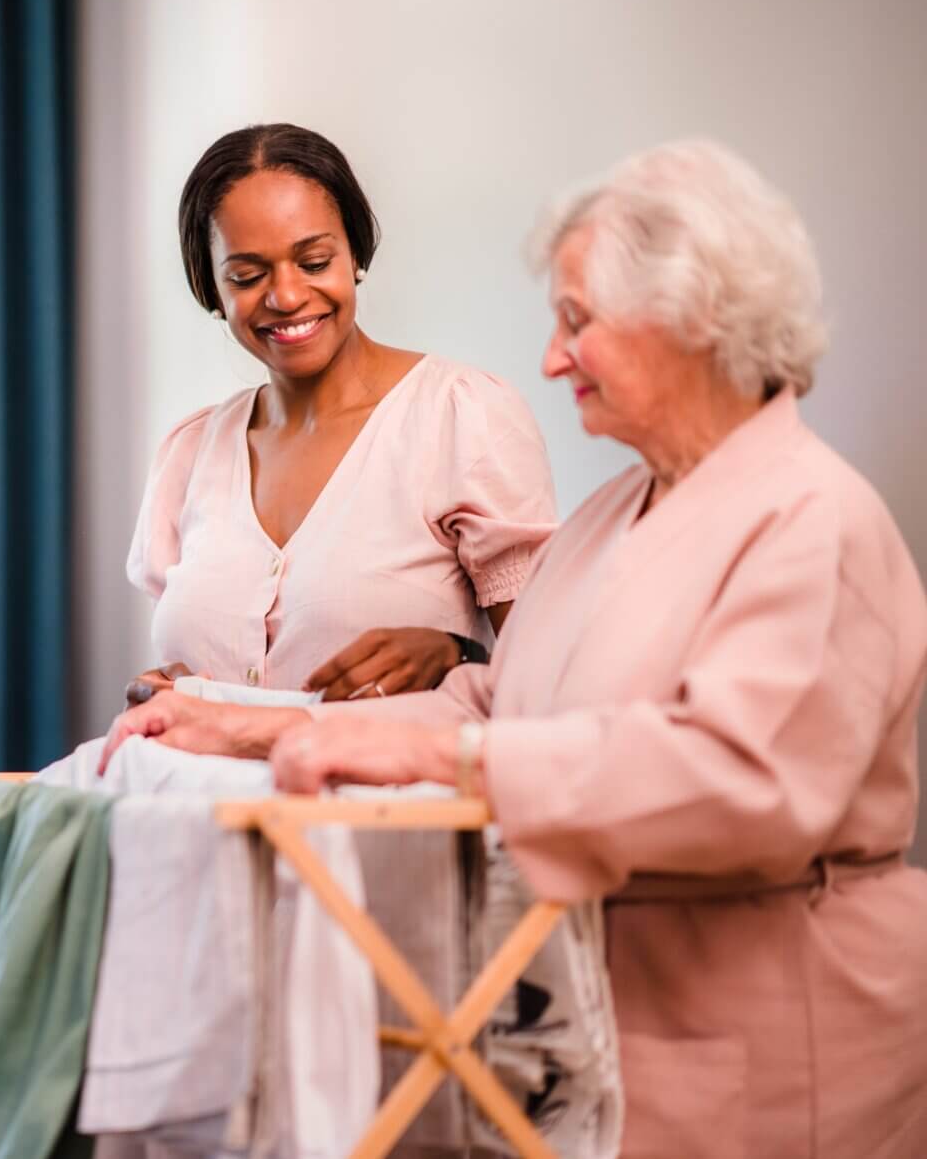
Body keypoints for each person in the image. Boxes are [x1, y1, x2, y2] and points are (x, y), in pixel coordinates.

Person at [104, 140, 927, 1158]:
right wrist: (238, 724)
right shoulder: (617, 511)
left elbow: (740, 780)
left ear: (694, 324)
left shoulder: (814, 518)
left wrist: (440, 758)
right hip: (597, 1026)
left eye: (576, 322)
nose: (551, 356)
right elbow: (499, 701)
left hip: (770, 1040)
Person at [125, 122, 556, 708]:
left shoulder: (461, 417)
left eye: (313, 261)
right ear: (212, 289)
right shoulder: (190, 452)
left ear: (355, 254)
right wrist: (162, 695)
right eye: (247, 277)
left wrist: (459, 655)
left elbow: (553, 678)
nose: (286, 296)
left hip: (389, 799)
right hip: (207, 797)